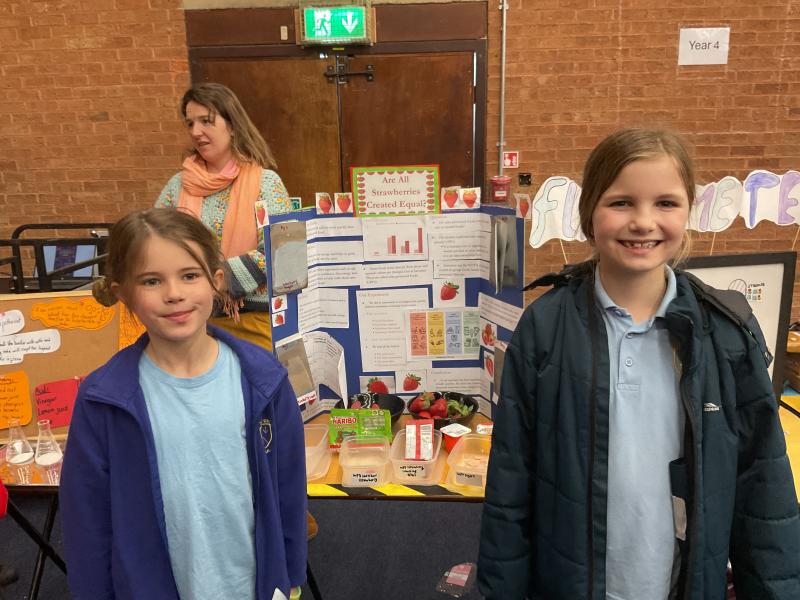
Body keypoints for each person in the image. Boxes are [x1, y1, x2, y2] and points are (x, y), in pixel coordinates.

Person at [477, 128, 800, 599]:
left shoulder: (726, 334)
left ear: (688, 211)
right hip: (570, 583)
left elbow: (763, 488)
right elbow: (511, 479)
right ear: (590, 212)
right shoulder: (545, 329)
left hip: (683, 583)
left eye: (665, 203)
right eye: (622, 202)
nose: (643, 222)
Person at [59, 208, 307, 600]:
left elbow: (289, 489)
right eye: (151, 280)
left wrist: (289, 574)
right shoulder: (102, 399)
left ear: (216, 281)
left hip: (252, 586)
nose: (174, 293)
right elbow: (86, 520)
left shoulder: (265, 380)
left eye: (189, 276)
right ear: (124, 294)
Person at [156, 82, 293, 351]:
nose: (196, 132)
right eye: (190, 123)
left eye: (206, 121)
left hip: (252, 324)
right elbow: (154, 245)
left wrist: (211, 281)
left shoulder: (266, 183)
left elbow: (283, 252)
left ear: (232, 125)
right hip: (189, 325)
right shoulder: (177, 187)